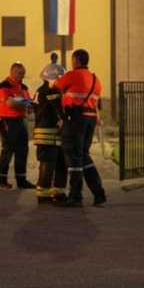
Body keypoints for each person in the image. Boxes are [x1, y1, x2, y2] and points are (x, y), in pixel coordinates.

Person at [50, 50, 108, 207]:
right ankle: (98, 193)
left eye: (72, 59)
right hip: (90, 120)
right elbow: (97, 103)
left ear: (75, 60)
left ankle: (75, 196)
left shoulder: (73, 75)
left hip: (75, 120)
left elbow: (54, 86)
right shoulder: (96, 79)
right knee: (83, 155)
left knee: (74, 158)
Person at [0, 62, 34, 190]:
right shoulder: (3, 86)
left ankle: (21, 180)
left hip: (21, 120)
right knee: (8, 150)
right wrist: (24, 103)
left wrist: (22, 102)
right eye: (18, 73)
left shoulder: (23, 87)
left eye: (23, 74)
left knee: (22, 150)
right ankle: (1, 179)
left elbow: (30, 103)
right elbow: (10, 104)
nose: (21, 76)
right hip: (6, 121)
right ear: (11, 72)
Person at [32, 76, 66, 204]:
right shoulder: (52, 92)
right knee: (51, 163)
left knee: (53, 162)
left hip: (44, 131)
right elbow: (59, 110)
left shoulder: (40, 90)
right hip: (51, 132)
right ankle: (48, 194)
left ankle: (54, 192)